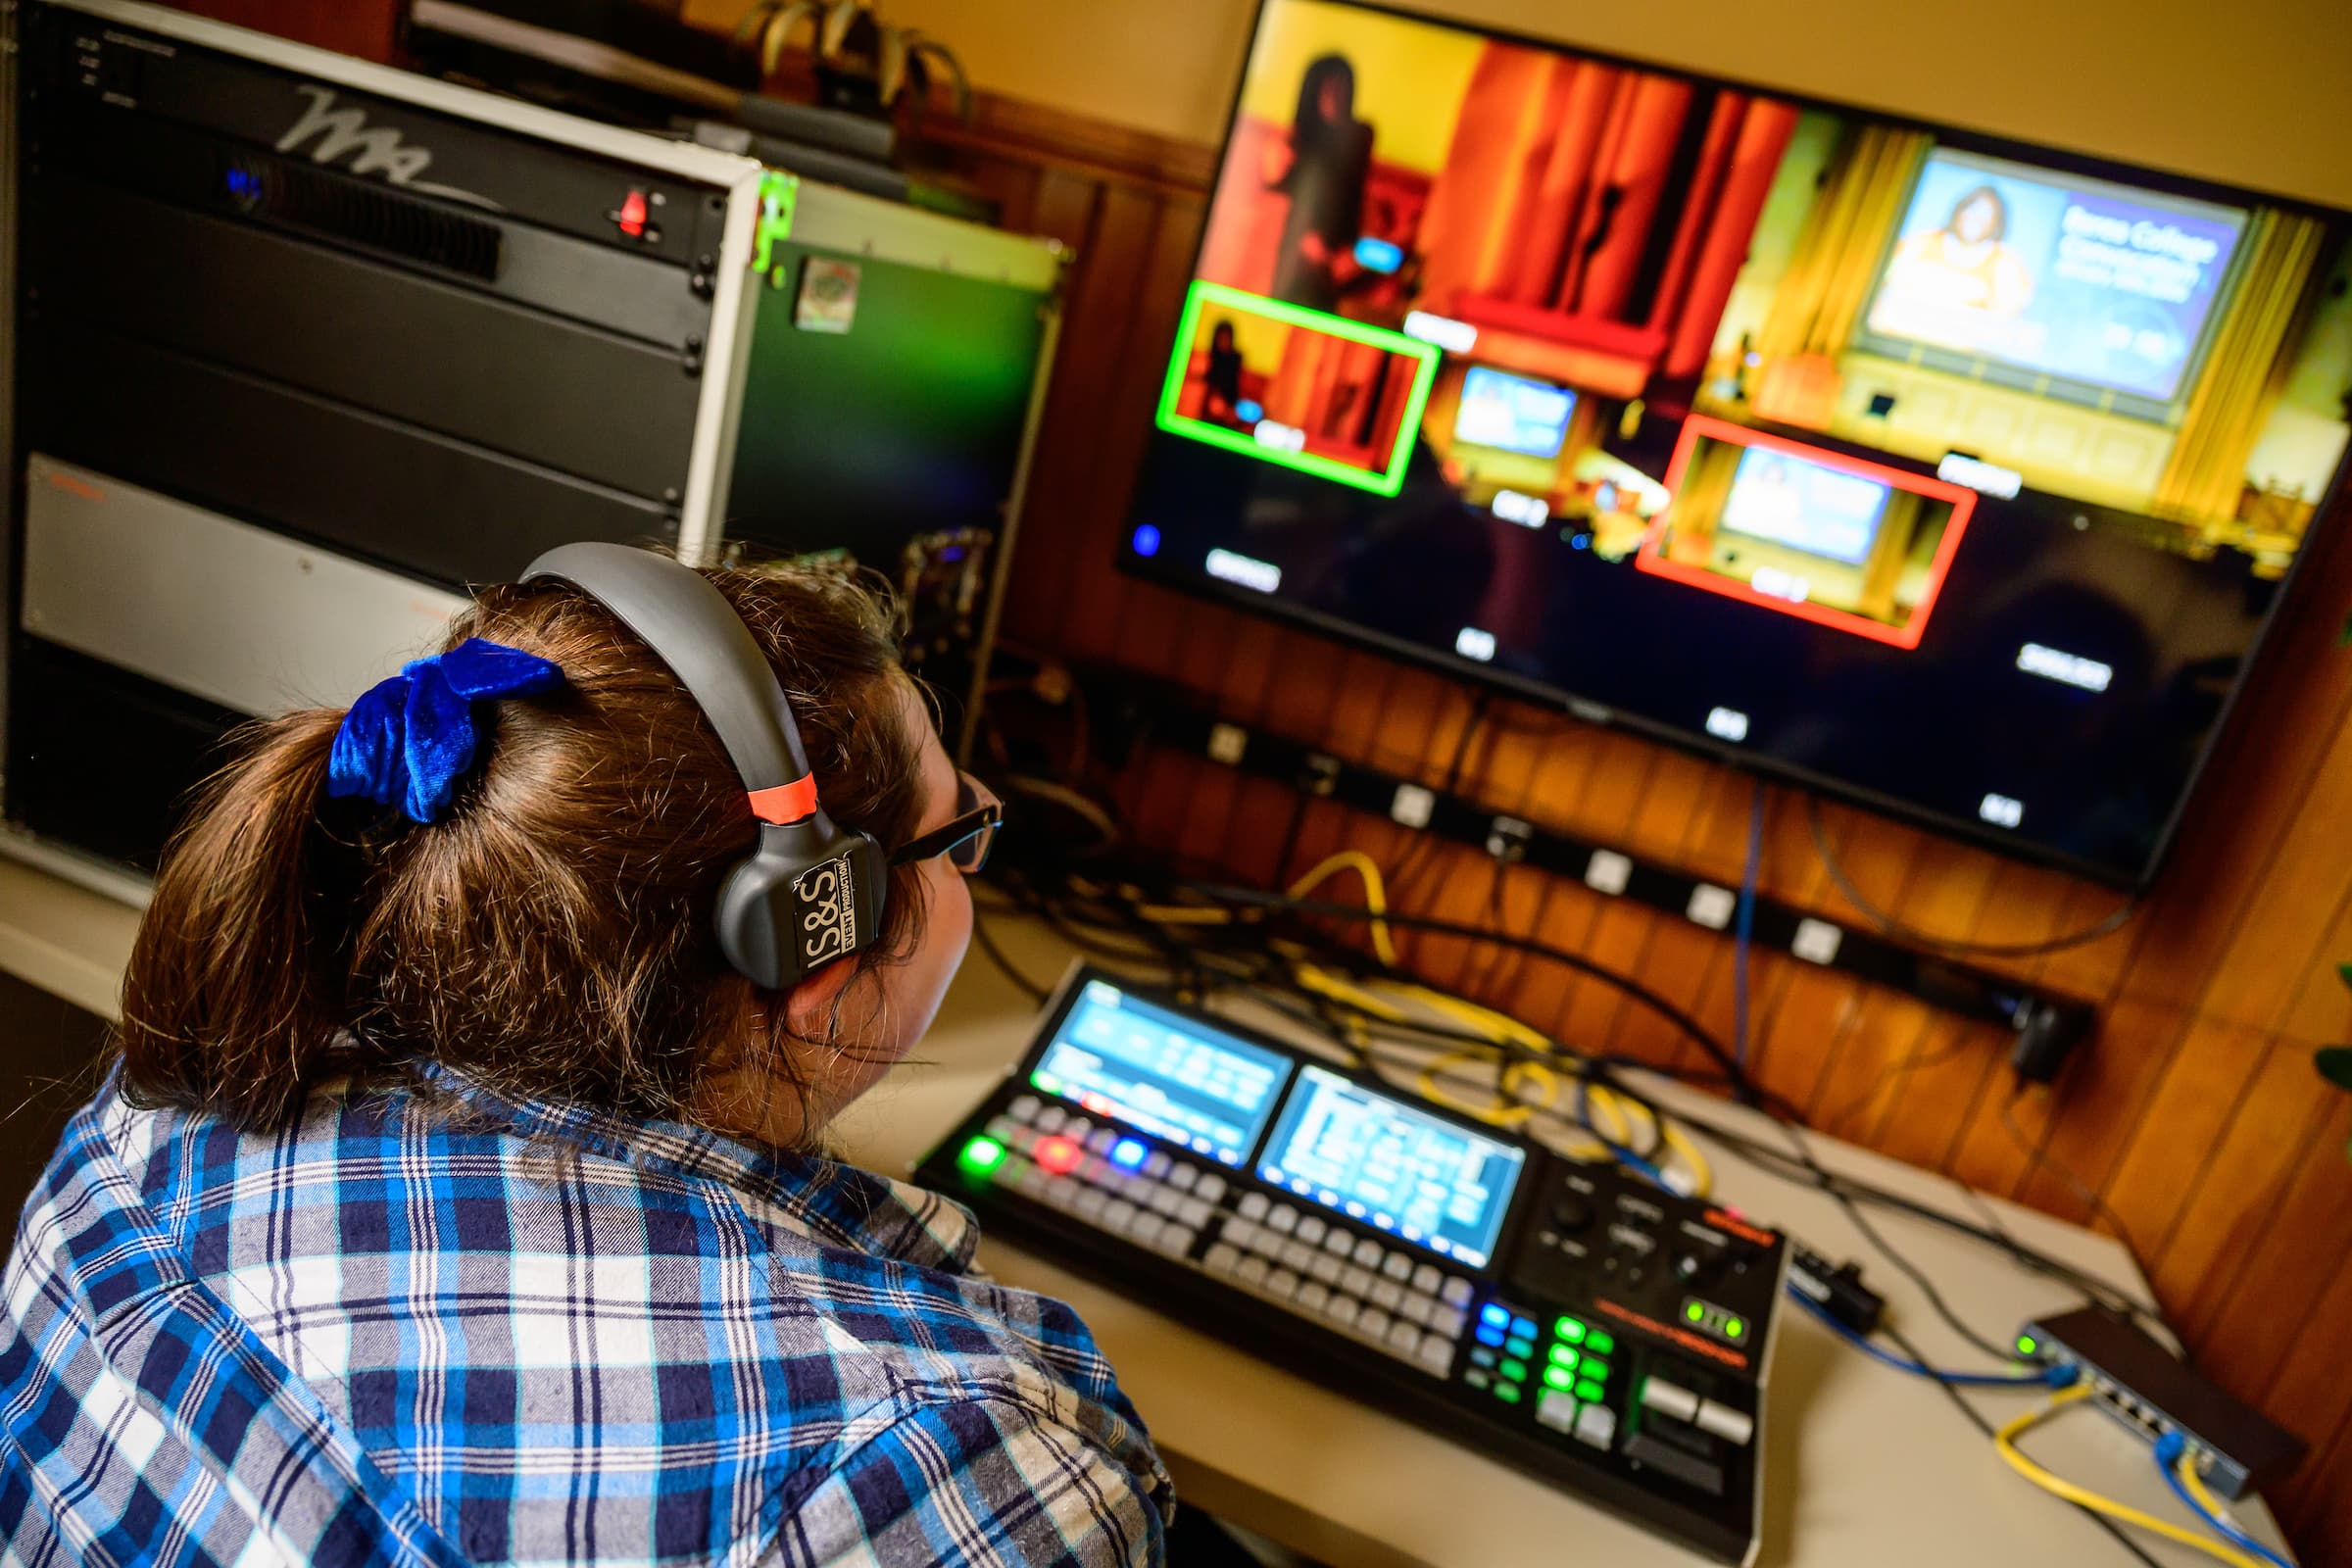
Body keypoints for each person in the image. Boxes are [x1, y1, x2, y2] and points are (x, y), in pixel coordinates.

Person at [0, 562, 1174, 1566]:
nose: (979, 828)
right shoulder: (959, 1470)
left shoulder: (168, 1108)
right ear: (808, 946)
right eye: (957, 833)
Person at [1265, 54, 1373, 312]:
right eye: (1327, 87)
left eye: (1341, 87)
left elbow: (1354, 197)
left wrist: (1343, 251)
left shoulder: (1359, 136)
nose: (1334, 95)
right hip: (1299, 250)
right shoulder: (1297, 138)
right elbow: (1278, 187)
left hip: (1339, 249)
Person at [1879, 182, 2034, 322]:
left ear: (1997, 223)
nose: (1976, 218)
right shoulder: (1920, 242)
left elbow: (2003, 320)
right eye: (1972, 209)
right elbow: (1884, 292)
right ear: (1959, 211)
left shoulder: (2007, 263)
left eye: (1987, 213)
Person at [1200, 319, 1248, 426]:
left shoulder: (1236, 358)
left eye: (1226, 338)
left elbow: (1236, 384)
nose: (1223, 341)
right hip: (1211, 405)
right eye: (1221, 338)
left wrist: (1229, 409)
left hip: (1230, 405)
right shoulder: (1212, 357)